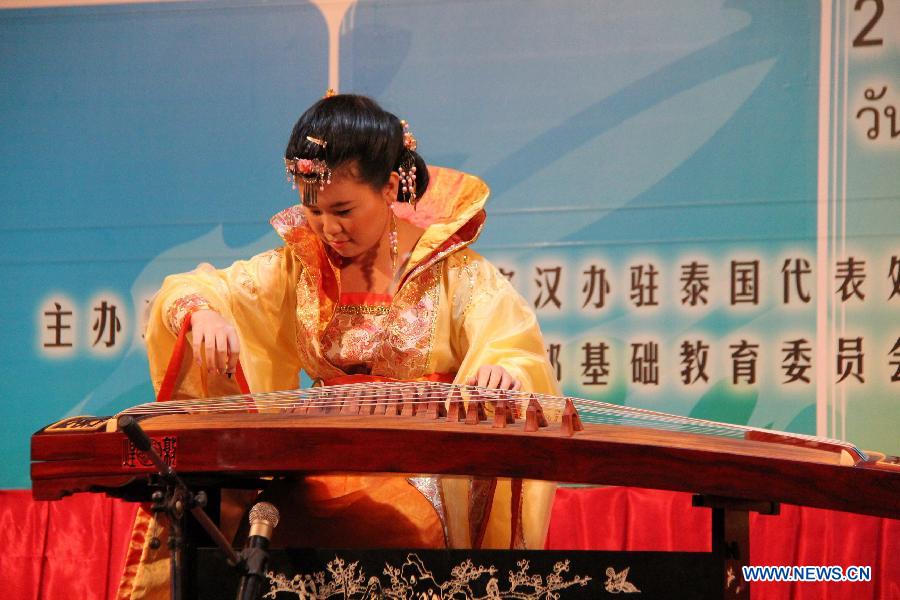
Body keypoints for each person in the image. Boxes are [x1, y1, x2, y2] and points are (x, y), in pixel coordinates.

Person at [120, 93, 559, 598]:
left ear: (391, 186)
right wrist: (203, 312)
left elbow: (509, 340)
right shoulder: (300, 267)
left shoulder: (451, 271)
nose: (329, 228)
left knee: (383, 534)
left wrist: (500, 370)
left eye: (344, 209)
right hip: (323, 464)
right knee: (256, 538)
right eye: (314, 211)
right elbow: (200, 286)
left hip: (423, 473)